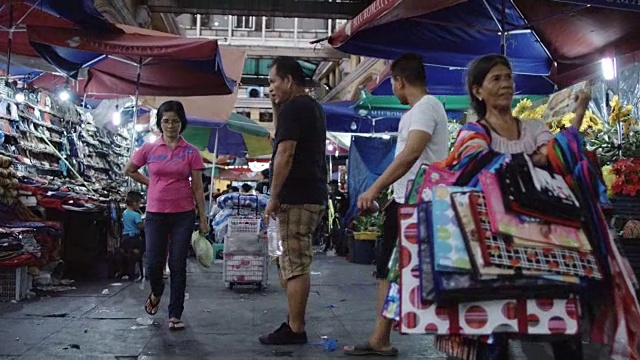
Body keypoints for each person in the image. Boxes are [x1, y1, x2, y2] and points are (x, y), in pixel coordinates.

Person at [434, 54, 591, 360]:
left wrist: (578, 116)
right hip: (496, 247)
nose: (506, 84)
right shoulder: (473, 134)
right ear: (478, 91)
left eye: (508, 77)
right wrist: (534, 161)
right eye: (496, 79)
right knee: (495, 331)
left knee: (561, 325)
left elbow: (557, 157)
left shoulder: (534, 126)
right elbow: (484, 174)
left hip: (544, 245)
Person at [344, 53, 450, 357]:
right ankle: (380, 336)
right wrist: (387, 198)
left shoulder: (425, 108)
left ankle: (382, 338)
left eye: (391, 82)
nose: (392, 88)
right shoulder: (422, 110)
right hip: (407, 201)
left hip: (418, 204)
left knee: (392, 272)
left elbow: (411, 154)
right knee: (388, 271)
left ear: (399, 81)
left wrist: (376, 187)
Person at [124, 100, 209, 332]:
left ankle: (175, 313)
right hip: (155, 214)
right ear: (160, 123)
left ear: (182, 123)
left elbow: (198, 188)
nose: (170, 125)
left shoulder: (191, 152)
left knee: (178, 263)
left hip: (183, 214)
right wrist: (150, 182)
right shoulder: (150, 149)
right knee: (153, 262)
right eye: (166, 121)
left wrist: (203, 217)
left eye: (175, 121)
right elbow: (129, 169)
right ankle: (157, 291)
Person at [259, 56, 327, 345]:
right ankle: (293, 323)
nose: (271, 88)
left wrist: (273, 197)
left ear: (288, 80)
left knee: (295, 262)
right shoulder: (307, 107)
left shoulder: (296, 107)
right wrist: (276, 107)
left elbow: (284, 154)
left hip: (297, 196)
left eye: (274, 81)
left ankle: (296, 327)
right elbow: (282, 143)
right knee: (289, 260)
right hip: (309, 193)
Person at [120, 191, 145, 281]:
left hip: (125, 237)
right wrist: (144, 222)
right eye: (139, 203)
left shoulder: (124, 213)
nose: (139, 205)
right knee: (137, 256)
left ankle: (127, 273)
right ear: (134, 203)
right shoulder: (136, 215)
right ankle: (137, 274)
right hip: (134, 238)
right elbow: (140, 226)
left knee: (127, 256)